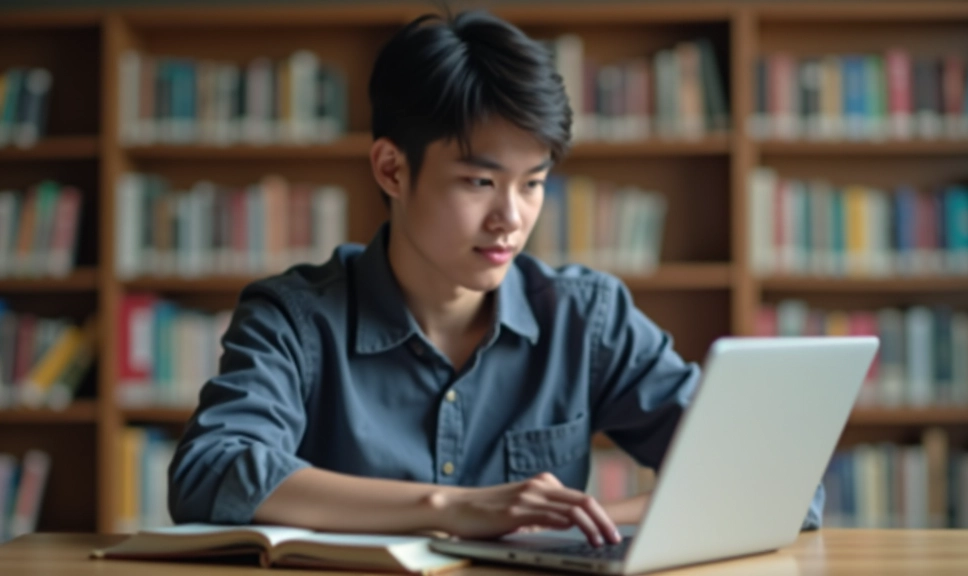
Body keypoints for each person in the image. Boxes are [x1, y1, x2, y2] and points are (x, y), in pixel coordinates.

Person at [168, 9, 825, 547]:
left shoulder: (586, 316)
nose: (510, 219)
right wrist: (452, 508)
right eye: (478, 182)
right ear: (392, 170)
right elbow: (212, 472)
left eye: (533, 183)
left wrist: (581, 521)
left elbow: (779, 482)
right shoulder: (293, 319)